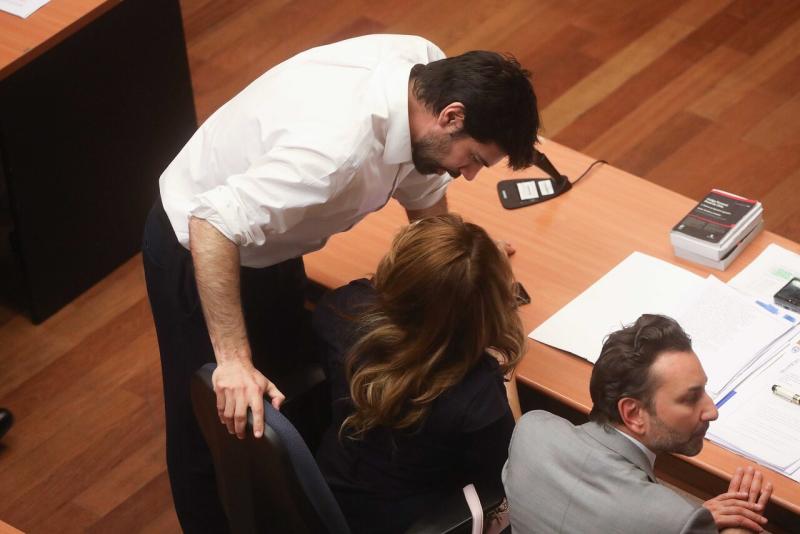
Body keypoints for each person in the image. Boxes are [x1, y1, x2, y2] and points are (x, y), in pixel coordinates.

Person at [142, 34, 540, 532]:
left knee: (287, 399)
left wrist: (458, 269)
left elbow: (422, 183)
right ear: (452, 116)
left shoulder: (426, 74)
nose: (470, 176)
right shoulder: (333, 151)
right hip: (201, 247)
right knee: (216, 425)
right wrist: (234, 361)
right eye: (476, 158)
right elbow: (213, 224)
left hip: (269, 239)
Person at [312, 214, 525, 533]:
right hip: (416, 520)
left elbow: (380, 292)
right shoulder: (477, 391)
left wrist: (442, 267)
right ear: (489, 308)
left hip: (329, 492)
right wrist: (505, 372)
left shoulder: (342, 311)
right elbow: (516, 469)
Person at [502, 314, 773, 534]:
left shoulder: (530, 429)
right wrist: (739, 525)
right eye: (690, 398)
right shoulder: (674, 522)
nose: (712, 411)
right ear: (633, 414)